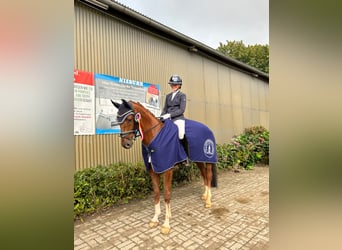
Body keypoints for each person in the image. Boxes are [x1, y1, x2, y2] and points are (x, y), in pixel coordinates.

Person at [160, 75, 189, 160]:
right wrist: (162, 116)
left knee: (181, 134)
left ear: (179, 85)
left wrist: (169, 115)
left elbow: (181, 110)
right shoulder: (168, 96)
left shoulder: (182, 95)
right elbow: (165, 108)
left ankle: (186, 156)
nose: (174, 86)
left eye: (176, 84)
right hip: (167, 119)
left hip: (178, 118)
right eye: (172, 84)